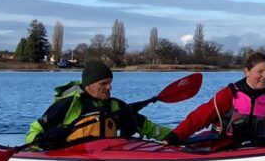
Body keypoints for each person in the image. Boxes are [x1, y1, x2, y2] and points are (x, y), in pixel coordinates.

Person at [24, 58, 173, 148]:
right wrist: (39, 141)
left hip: (106, 155)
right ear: (88, 85)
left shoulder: (115, 106)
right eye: (103, 83)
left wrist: (176, 136)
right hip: (71, 157)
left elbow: (148, 127)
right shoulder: (67, 104)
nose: (109, 87)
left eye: (110, 83)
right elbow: (34, 130)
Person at [171, 51, 265, 145]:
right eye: (260, 71)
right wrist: (176, 135)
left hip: (258, 147)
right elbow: (199, 117)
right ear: (247, 72)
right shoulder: (228, 94)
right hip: (226, 145)